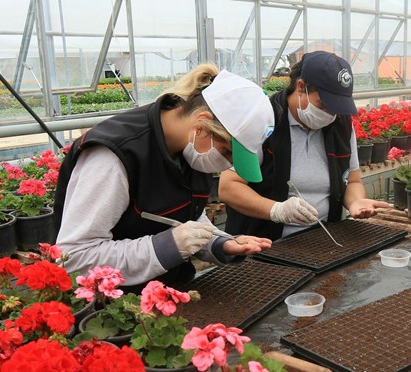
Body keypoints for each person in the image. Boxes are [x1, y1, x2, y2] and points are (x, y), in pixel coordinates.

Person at [53, 65, 274, 286]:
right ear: (202, 124)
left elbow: (187, 216)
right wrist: (167, 246)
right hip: (110, 310)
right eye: (227, 151)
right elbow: (75, 256)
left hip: (166, 294)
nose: (228, 164)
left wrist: (219, 242)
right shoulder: (115, 156)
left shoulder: (193, 149)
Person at [219, 51, 388, 240]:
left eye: (337, 108)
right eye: (324, 105)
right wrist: (277, 210)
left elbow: (353, 181)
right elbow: (228, 187)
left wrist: (356, 203)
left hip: (319, 242)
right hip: (263, 244)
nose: (331, 114)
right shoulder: (264, 120)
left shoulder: (340, 125)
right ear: (301, 87)